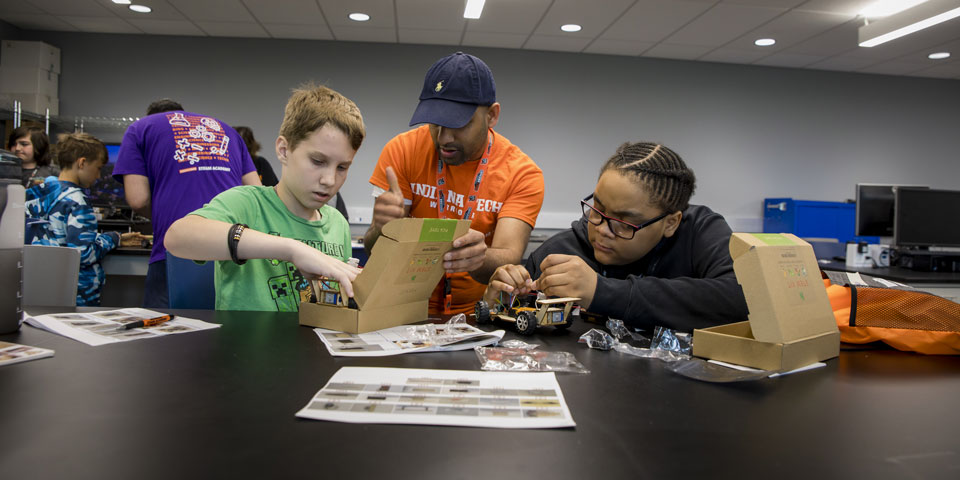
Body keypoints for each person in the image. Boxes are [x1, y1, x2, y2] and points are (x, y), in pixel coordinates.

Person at [484, 142, 749, 332]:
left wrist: (602, 292)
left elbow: (742, 299)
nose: (601, 229)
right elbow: (516, 312)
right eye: (597, 209)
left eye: (623, 223)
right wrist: (499, 299)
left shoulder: (699, 232)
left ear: (670, 223)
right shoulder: (565, 248)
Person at [366, 52, 544, 315]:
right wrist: (381, 229)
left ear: (492, 115)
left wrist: (479, 257)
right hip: (400, 308)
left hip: (477, 315)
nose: (444, 138)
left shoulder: (522, 173)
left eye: (459, 124)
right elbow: (373, 249)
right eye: (435, 123)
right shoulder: (402, 150)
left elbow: (508, 258)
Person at [164, 85, 363, 312]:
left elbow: (334, 306)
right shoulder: (248, 203)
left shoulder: (337, 223)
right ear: (284, 150)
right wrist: (293, 250)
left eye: (342, 167)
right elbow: (178, 237)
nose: (329, 179)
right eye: (318, 161)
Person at [113, 99, 260, 308]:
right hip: (234, 247)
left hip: (177, 249)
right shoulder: (226, 129)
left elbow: (139, 200)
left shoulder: (140, 128)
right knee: (228, 332)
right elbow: (255, 192)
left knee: (166, 331)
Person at [24, 133, 138, 306]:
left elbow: (60, 242)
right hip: (76, 293)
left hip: (40, 288)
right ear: (82, 163)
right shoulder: (78, 201)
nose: (99, 176)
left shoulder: (36, 195)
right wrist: (113, 238)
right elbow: (83, 253)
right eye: (99, 168)